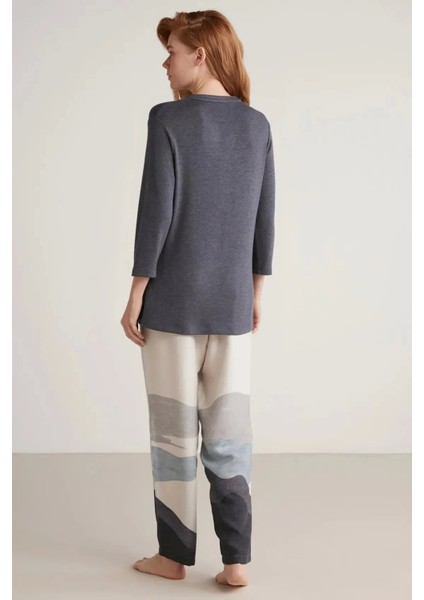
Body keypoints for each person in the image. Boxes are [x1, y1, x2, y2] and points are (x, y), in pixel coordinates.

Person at [120, 9, 275, 588]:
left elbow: (154, 213)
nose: (166, 64)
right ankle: (236, 562)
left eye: (173, 52)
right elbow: (264, 219)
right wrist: (254, 293)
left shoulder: (168, 119)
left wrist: (136, 292)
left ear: (200, 55)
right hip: (232, 305)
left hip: (173, 306)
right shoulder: (256, 126)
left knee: (174, 438)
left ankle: (173, 557)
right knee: (231, 437)